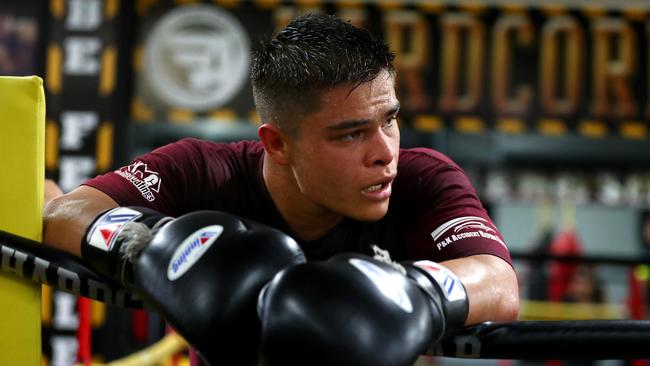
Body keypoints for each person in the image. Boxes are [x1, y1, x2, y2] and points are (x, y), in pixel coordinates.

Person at [43, 13, 519, 364]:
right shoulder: (204, 171)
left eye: (390, 120)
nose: (384, 152)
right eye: (350, 133)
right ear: (278, 143)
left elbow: (497, 282)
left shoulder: (421, 178)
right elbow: (65, 213)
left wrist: (415, 292)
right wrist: (146, 244)